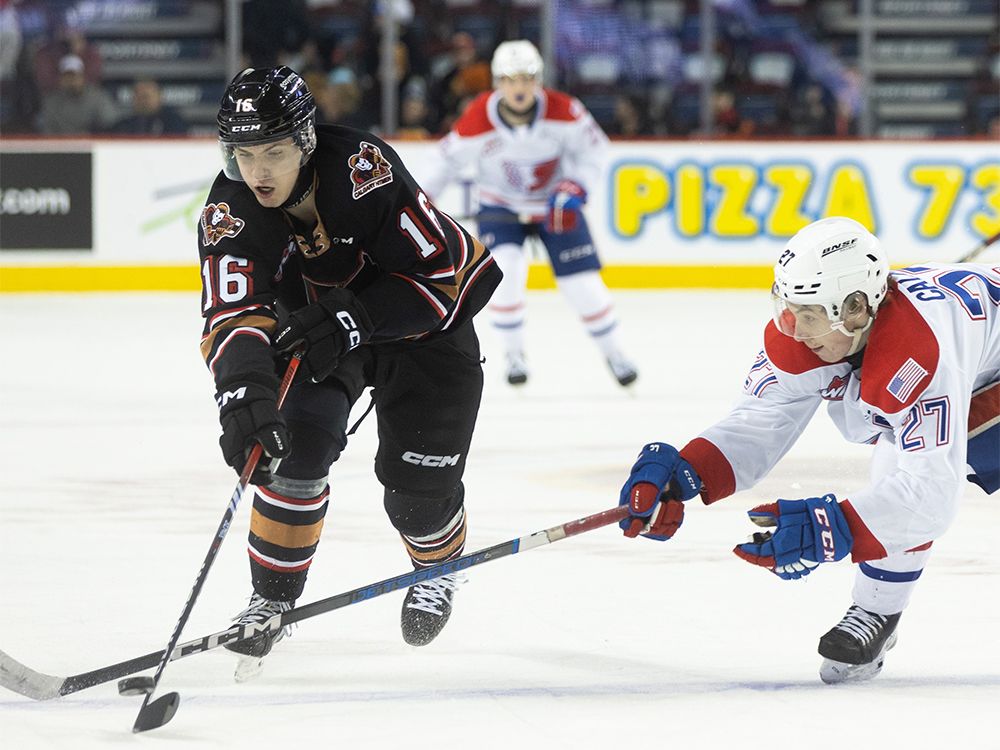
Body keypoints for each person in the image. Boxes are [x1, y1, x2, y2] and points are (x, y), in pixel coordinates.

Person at [198, 66, 502, 673]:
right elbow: (232, 312)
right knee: (290, 452)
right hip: (317, 335)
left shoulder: (365, 171)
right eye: (244, 154)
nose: (258, 172)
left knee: (417, 499)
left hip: (421, 332)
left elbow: (455, 277)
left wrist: (357, 315)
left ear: (305, 141)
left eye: (275, 152)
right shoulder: (231, 209)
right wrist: (241, 392)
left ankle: (437, 567)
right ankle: (269, 602)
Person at [617, 216, 999, 683]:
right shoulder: (825, 333)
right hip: (978, 365)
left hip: (982, 372)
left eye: (811, 313)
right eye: (788, 308)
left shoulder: (920, 349)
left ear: (856, 307)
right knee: (899, 455)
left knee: (903, 460)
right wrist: (687, 471)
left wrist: (835, 527)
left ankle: (878, 610)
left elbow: (930, 494)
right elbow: (761, 420)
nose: (795, 329)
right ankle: (877, 613)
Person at [422, 39, 638, 388]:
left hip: (555, 206)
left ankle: (616, 354)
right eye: (510, 79)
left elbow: (595, 150)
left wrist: (576, 187)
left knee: (583, 286)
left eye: (526, 78)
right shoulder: (478, 117)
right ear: (497, 82)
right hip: (500, 206)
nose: (518, 87)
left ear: (538, 80)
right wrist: (423, 201)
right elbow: (443, 162)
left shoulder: (566, 111)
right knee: (503, 276)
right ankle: (514, 355)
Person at [37, 54, 117, 135]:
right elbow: (46, 131)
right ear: (61, 78)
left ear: (83, 77)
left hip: (91, 144)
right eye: (67, 76)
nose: (72, 80)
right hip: (60, 145)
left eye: (75, 76)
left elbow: (111, 125)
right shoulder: (51, 101)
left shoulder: (98, 97)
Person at [111, 78, 188, 136]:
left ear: (159, 97)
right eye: (139, 96)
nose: (143, 101)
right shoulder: (123, 126)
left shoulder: (174, 122)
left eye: (146, 96)